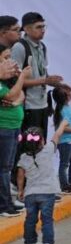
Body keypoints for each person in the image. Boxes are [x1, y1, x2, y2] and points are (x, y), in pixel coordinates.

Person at [17, 121, 69, 244]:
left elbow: (20, 176)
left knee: (30, 219)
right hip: (47, 192)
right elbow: (57, 135)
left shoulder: (23, 157)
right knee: (46, 219)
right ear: (42, 141)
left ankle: (29, 243)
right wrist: (63, 123)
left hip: (30, 194)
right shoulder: (48, 150)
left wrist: (20, 190)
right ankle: (48, 243)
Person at [11, 12, 63, 137]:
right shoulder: (19, 47)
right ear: (27, 29)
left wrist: (55, 83)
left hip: (42, 104)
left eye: (44, 27)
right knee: (27, 148)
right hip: (27, 106)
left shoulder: (42, 47)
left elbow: (43, 74)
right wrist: (44, 81)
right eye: (38, 27)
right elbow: (14, 81)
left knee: (41, 145)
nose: (43, 30)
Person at [0, 51, 30, 217]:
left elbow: (19, 96)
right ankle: (4, 205)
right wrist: (22, 77)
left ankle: (7, 203)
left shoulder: (7, 80)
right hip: (3, 127)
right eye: (5, 57)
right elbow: (12, 95)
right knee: (3, 169)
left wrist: (14, 102)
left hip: (13, 127)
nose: (10, 61)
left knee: (7, 167)